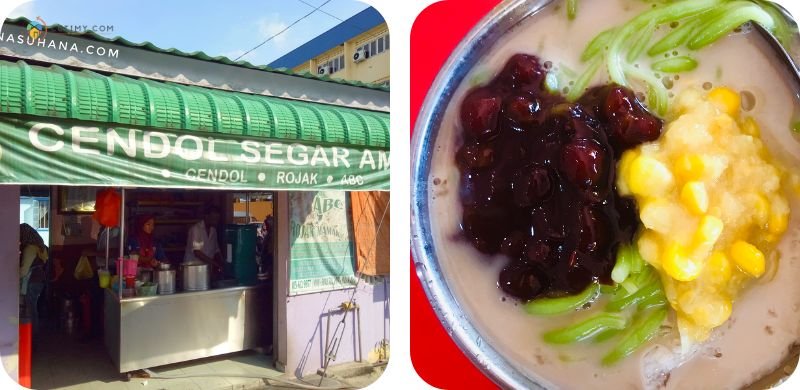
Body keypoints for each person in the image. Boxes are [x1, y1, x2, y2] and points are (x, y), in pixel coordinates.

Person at [19, 223, 48, 337]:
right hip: (38, 280)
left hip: (32, 281)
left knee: (31, 310)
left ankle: (32, 337)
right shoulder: (40, 246)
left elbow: (24, 271)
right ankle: (33, 336)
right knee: (33, 308)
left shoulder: (30, 248)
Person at [184, 206, 223, 273]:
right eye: (214, 219)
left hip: (206, 269)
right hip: (193, 269)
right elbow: (197, 252)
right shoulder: (196, 229)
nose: (216, 221)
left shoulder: (213, 230)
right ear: (206, 216)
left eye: (217, 219)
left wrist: (222, 262)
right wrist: (215, 264)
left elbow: (216, 249)